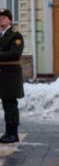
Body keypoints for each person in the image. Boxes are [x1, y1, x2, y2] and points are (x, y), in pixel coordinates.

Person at [0, 8, 24, 144]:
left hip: (11, 75)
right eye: (0, 17)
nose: (1, 19)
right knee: (6, 104)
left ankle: (13, 133)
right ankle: (8, 131)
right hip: (3, 76)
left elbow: (15, 53)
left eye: (4, 17)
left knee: (11, 105)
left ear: (10, 20)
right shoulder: (1, 35)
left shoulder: (15, 35)